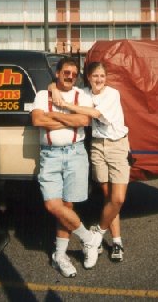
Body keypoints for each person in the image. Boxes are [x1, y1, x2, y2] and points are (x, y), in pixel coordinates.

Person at [31, 57, 104, 278]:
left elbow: (84, 121)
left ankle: (60, 256)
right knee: (53, 205)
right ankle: (89, 239)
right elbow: (37, 120)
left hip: (75, 154)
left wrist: (52, 115)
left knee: (67, 207)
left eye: (73, 73)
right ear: (58, 73)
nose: (70, 76)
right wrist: (66, 118)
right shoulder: (44, 95)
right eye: (66, 72)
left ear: (77, 76)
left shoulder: (81, 95)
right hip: (50, 155)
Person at [51, 61, 130, 264]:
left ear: (106, 78)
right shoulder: (85, 93)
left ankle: (97, 233)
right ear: (88, 77)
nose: (99, 80)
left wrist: (66, 105)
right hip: (96, 146)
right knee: (107, 196)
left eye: (102, 76)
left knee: (118, 199)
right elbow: (59, 86)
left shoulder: (112, 94)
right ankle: (117, 241)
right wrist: (53, 88)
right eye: (95, 76)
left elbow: (95, 113)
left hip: (117, 145)